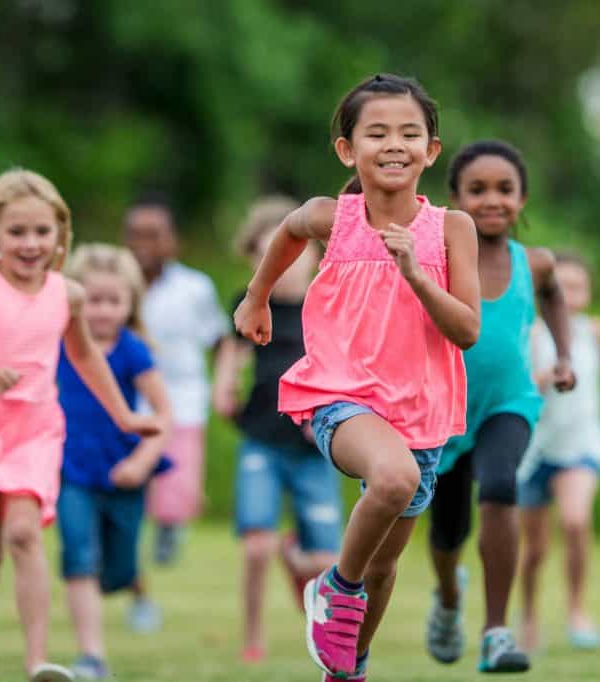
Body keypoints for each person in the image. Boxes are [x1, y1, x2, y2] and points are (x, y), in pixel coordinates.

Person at [235, 73, 480, 682]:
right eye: (376, 132)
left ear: (431, 150)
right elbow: (289, 230)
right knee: (392, 481)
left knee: (383, 565)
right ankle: (332, 588)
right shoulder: (332, 218)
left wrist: (419, 275)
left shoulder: (452, 230)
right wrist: (257, 297)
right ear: (349, 150)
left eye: (409, 133)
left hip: (420, 411)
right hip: (339, 391)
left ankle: (347, 669)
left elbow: (467, 330)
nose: (393, 144)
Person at [0, 169, 161, 682]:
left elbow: (86, 357)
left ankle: (36, 664)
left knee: (26, 534)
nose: (31, 244)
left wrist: (124, 415)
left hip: (36, 428)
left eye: (42, 232)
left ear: (58, 235)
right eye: (17, 232)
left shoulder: (66, 294)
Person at [425, 140, 575, 674]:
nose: (492, 200)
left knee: (500, 485)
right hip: (442, 410)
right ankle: (446, 597)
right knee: (447, 533)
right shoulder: (436, 258)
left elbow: (555, 295)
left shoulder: (534, 262)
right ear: (454, 199)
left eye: (505, 190)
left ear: (523, 198)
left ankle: (495, 632)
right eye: (478, 190)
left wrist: (563, 355)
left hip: (508, 403)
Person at [213, 197, 342, 664]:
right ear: (254, 258)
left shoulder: (327, 307)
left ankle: (300, 564)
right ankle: (253, 635)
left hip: (315, 448)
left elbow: (344, 369)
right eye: (270, 253)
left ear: (314, 254)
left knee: (326, 561)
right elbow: (234, 356)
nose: (285, 264)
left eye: (296, 251)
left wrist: (331, 415)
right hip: (262, 441)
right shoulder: (249, 305)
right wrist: (224, 386)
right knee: (255, 548)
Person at [55, 244, 173, 680]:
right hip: (72, 470)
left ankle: (135, 589)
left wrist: (143, 461)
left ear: (130, 303)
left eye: (113, 301)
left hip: (124, 472)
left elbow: (163, 413)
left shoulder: (132, 350)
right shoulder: (60, 345)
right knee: (78, 554)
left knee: (118, 568)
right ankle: (92, 656)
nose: (102, 311)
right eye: (93, 300)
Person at [518, 252, 600, 652]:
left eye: (578, 287)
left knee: (574, 522)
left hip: (580, 444)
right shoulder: (532, 334)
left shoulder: (592, 330)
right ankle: (528, 616)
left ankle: (577, 610)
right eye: (563, 287)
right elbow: (519, 387)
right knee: (535, 549)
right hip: (535, 450)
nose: (571, 295)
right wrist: (545, 378)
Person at [124, 194, 228, 565]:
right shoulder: (117, 287)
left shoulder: (194, 288)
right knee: (129, 482)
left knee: (175, 485)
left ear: (171, 240)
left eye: (153, 235)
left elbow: (219, 339)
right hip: (127, 401)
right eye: (136, 235)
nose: (144, 245)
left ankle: (169, 531)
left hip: (182, 400)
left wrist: (223, 384)